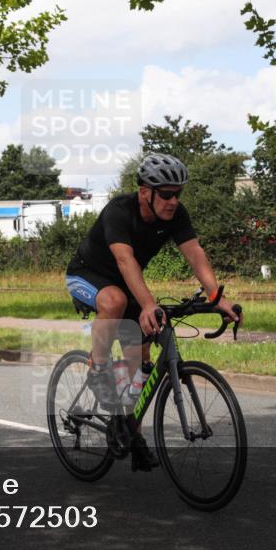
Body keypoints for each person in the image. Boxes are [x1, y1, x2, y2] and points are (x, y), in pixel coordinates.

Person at [65, 153, 241, 471]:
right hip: (87, 276)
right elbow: (124, 261)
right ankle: (97, 368)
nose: (173, 201)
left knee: (140, 368)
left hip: (129, 285)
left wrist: (216, 297)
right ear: (145, 191)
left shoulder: (175, 215)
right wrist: (147, 303)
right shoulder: (120, 211)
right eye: (166, 194)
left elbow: (194, 253)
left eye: (178, 194)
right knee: (115, 301)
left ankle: (131, 435)